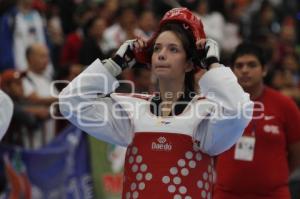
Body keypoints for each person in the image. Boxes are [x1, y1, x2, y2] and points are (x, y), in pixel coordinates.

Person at [59, 7, 253, 198]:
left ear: (189, 64)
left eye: (173, 49)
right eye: (157, 48)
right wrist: (114, 64)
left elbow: (238, 111)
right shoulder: (132, 109)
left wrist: (213, 64)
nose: (161, 54)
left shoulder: (206, 112)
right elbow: (70, 102)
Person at [214, 42, 300, 199]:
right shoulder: (219, 103)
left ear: (264, 70)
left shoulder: (285, 105)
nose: (245, 70)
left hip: (273, 194)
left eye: (252, 65)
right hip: (226, 194)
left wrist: (276, 176)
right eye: (239, 66)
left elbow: (297, 151)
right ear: (233, 71)